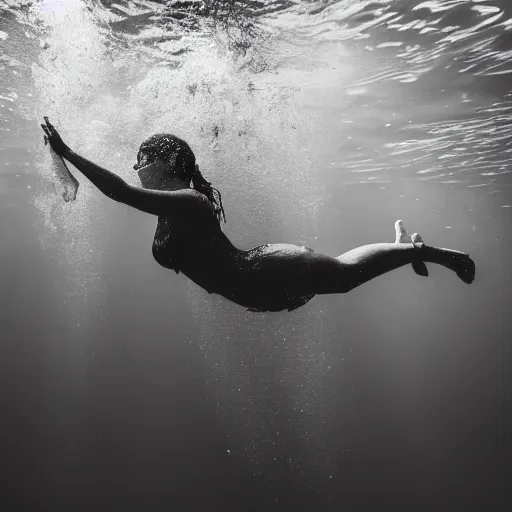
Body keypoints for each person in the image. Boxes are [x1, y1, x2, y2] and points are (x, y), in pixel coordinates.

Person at [41, 117, 475, 312]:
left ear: (171, 161)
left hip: (272, 271)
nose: (136, 168)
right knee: (345, 278)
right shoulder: (167, 208)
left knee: (345, 277)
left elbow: (118, 191)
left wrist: (68, 152)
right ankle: (401, 249)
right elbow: (126, 191)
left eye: (142, 160)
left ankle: (428, 252)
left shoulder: (191, 204)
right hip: (258, 289)